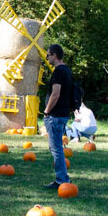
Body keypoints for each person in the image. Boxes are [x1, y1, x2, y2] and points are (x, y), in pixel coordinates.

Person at [42, 44, 74, 190]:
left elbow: (56, 94)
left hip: (55, 115)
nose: (47, 58)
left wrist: (47, 111)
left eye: (48, 55)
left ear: (54, 55)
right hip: (63, 113)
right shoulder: (67, 70)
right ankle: (62, 178)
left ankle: (62, 179)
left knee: (56, 149)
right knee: (57, 147)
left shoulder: (58, 72)